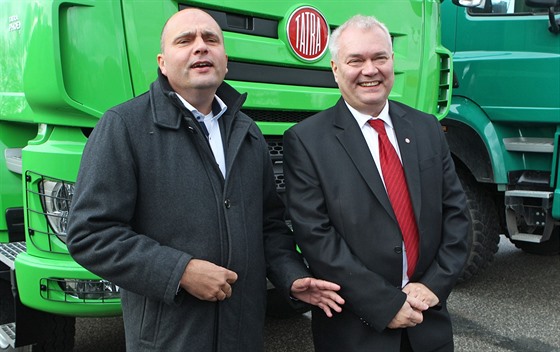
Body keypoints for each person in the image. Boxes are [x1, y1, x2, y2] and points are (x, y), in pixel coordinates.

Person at [66, 8, 344, 352]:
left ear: (225, 61)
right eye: (185, 40)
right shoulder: (125, 127)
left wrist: (292, 276)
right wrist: (180, 271)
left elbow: (269, 226)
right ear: (162, 62)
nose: (201, 47)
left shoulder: (249, 134)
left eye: (211, 39)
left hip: (242, 336)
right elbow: (90, 234)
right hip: (170, 340)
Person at [283, 14, 469, 352]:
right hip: (356, 330)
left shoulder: (426, 128)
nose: (370, 70)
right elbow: (316, 237)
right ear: (336, 69)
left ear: (392, 62)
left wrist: (434, 285)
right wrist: (386, 305)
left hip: (429, 322)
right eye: (356, 60)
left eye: (379, 57)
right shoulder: (307, 141)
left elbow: (457, 215)